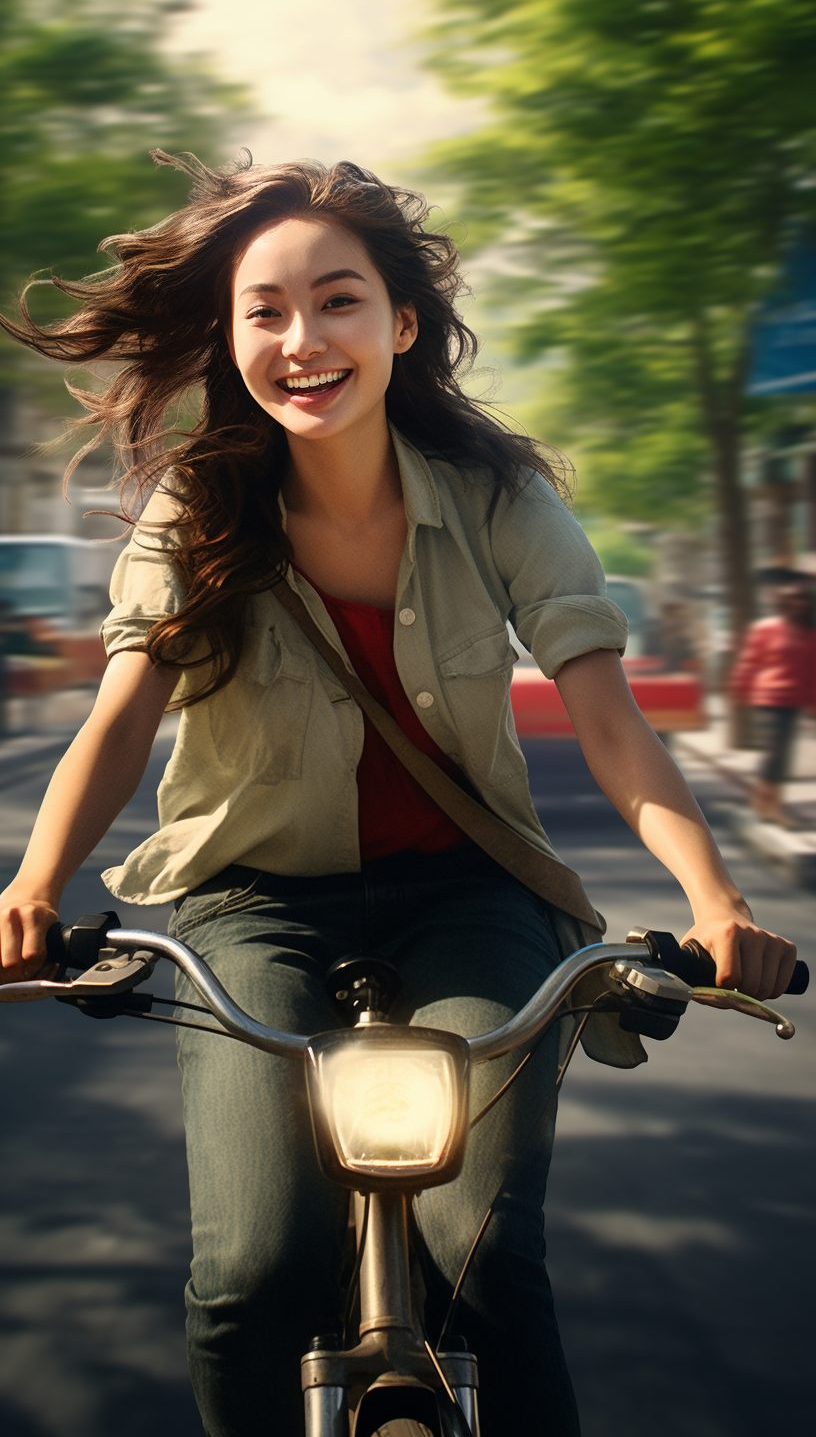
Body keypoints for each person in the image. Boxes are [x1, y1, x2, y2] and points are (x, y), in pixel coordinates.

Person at [0, 153, 797, 1437]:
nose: (302, 340)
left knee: (485, 1256)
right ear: (228, 336)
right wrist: (32, 888)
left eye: (339, 301)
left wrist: (714, 899)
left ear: (402, 324)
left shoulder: (500, 498)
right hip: (249, 903)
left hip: (471, 896)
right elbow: (120, 715)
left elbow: (611, 722)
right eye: (265, 311)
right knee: (251, 1275)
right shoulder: (196, 511)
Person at [730, 579, 816, 827]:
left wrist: (812, 704)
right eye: (792, 598)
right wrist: (740, 690)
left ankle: (763, 802)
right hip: (770, 697)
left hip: (795, 700)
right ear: (782, 601)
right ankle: (773, 807)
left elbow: (812, 672)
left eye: (803, 598)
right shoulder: (766, 628)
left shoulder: (811, 632)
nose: (798, 602)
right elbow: (749, 662)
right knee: (777, 755)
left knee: (780, 755)